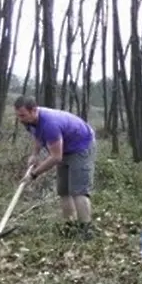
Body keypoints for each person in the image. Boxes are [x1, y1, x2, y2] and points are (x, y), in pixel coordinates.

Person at [13, 96, 97, 239]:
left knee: (78, 191)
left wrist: (34, 174)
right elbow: (38, 136)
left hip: (81, 146)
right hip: (64, 147)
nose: (20, 119)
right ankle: (70, 227)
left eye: (22, 115)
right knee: (63, 191)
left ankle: (86, 231)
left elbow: (56, 157)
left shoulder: (50, 124)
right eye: (18, 115)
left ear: (34, 110)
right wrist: (35, 154)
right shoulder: (31, 121)